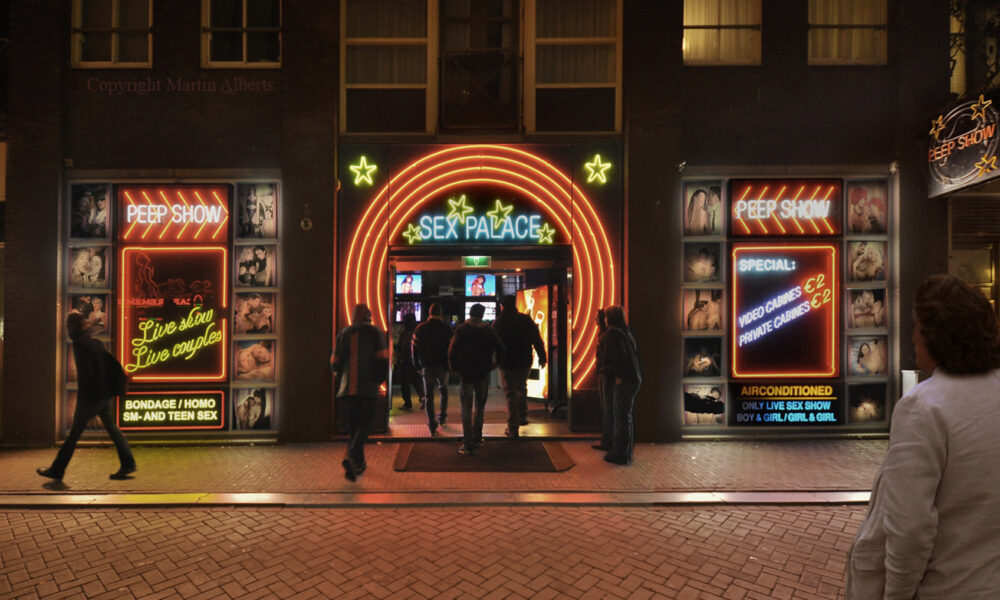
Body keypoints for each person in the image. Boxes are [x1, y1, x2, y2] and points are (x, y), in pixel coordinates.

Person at [846, 274, 1000, 599]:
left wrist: (896, 595)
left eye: (917, 326)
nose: (913, 337)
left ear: (936, 335)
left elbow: (910, 529)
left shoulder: (922, 408)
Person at [37, 313, 136, 481]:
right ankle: (128, 463)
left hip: (91, 397)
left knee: (74, 435)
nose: (67, 328)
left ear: (72, 326)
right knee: (111, 428)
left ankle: (57, 470)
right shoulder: (90, 341)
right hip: (101, 394)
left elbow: (88, 374)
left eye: (68, 325)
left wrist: (86, 399)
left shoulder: (81, 343)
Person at [330, 304, 389, 481]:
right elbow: (382, 359)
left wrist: (341, 377)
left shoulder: (344, 334)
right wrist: (379, 381)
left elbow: (335, 362)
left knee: (355, 426)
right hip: (368, 388)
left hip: (348, 389)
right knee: (365, 425)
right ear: (369, 316)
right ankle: (350, 455)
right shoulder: (375, 333)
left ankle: (358, 464)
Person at [449, 303, 504, 455]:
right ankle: (477, 437)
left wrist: (455, 368)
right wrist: (494, 364)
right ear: (482, 314)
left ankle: (467, 443)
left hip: (466, 373)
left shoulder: (461, 329)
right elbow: (501, 349)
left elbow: (453, 351)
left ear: (470, 313)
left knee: (466, 408)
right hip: (482, 373)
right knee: (480, 407)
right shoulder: (488, 330)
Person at [493, 295, 547, 438]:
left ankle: (513, 427)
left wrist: (492, 361)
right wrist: (543, 357)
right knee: (521, 387)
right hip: (524, 360)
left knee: (510, 393)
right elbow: (537, 339)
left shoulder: (499, 322)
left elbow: (492, 344)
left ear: (502, 306)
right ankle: (522, 415)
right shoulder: (525, 320)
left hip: (507, 362)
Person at [602, 305, 641, 465]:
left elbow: (619, 356)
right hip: (633, 378)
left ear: (610, 318)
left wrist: (617, 376)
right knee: (627, 417)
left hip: (624, 380)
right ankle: (626, 453)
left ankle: (620, 454)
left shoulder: (613, 333)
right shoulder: (626, 331)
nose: (604, 320)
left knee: (621, 417)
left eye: (606, 317)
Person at [412, 302, 453, 435]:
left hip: (427, 365)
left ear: (429, 313)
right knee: (444, 390)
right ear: (441, 314)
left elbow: (414, 349)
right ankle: (442, 416)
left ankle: (432, 424)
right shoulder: (447, 329)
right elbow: (452, 349)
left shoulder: (420, 328)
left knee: (429, 396)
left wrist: (417, 365)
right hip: (443, 365)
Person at [592, 309, 614, 451]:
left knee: (607, 408)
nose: (595, 321)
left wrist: (601, 369)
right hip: (604, 373)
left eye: (597, 318)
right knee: (607, 408)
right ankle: (607, 439)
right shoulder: (605, 335)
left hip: (605, 375)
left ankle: (607, 440)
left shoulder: (606, 336)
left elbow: (606, 356)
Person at [394, 312, 422, 410]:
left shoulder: (404, 333)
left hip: (405, 361)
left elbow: (401, 347)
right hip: (415, 361)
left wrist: (399, 356)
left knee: (404, 382)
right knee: (416, 381)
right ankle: (422, 398)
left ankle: (408, 403)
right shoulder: (417, 331)